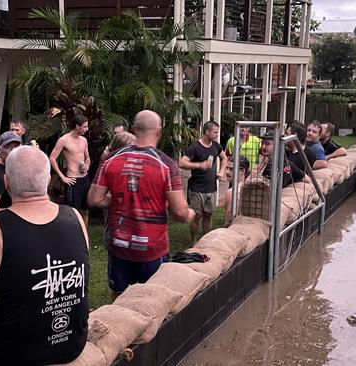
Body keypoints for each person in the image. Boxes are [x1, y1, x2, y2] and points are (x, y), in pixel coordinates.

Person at [0, 146, 89, 366]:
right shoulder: (75, 217)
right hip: (72, 343)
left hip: (17, 352)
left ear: (6, 182)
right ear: (47, 181)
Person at [88, 110, 195, 298]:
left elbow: (94, 199)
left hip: (119, 246)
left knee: (119, 296)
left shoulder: (110, 160)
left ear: (133, 130)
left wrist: (120, 199)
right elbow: (179, 212)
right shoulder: (166, 165)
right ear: (159, 132)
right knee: (153, 299)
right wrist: (190, 214)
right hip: (152, 250)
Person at [179, 121, 227, 244]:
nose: (217, 134)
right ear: (207, 132)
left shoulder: (216, 146)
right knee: (196, 216)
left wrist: (221, 171)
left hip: (211, 188)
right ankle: (194, 241)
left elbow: (224, 157)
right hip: (196, 189)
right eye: (215, 132)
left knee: (208, 215)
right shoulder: (195, 147)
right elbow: (182, 163)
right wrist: (199, 164)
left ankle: (206, 241)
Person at [49, 115, 91, 225]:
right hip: (73, 179)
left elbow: (88, 158)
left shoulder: (84, 140)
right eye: (85, 127)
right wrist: (62, 177)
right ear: (77, 126)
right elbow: (52, 158)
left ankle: (84, 237)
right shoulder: (64, 140)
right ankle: (72, 235)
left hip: (85, 179)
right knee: (72, 212)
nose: (87, 129)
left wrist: (87, 165)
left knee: (85, 210)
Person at [224, 155, 250, 227]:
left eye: (232, 169)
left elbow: (228, 220)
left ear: (243, 171)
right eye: (227, 168)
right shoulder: (250, 187)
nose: (227, 172)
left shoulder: (231, 192)